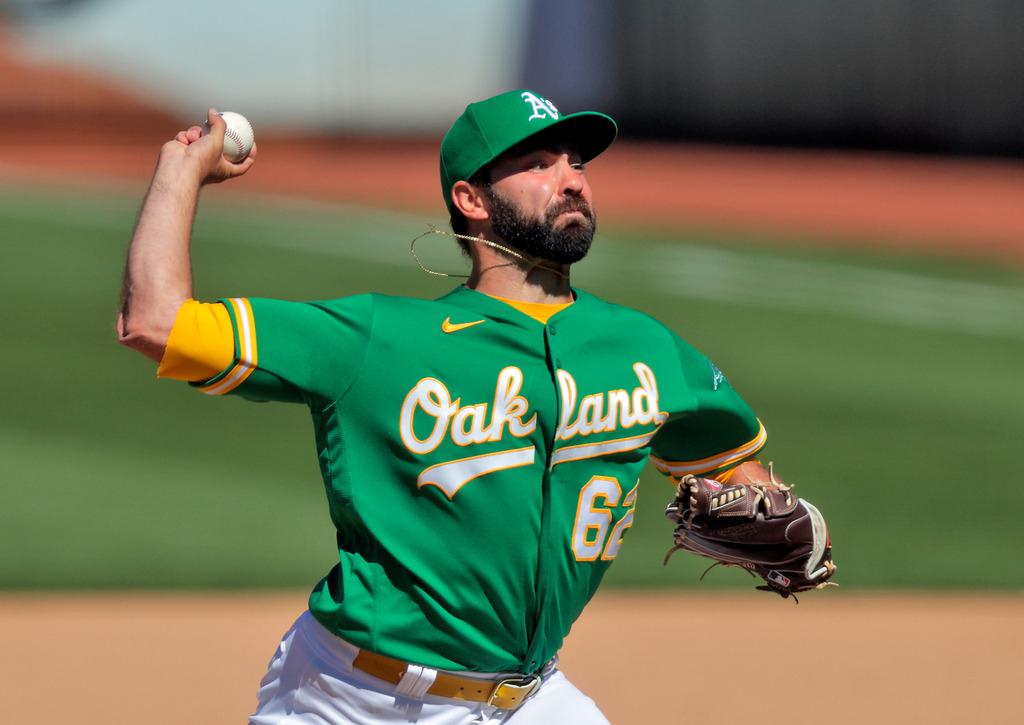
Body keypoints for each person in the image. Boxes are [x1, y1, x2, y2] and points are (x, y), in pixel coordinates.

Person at [118, 90, 773, 724]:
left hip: (530, 699)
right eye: (538, 163)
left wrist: (782, 518)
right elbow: (154, 321)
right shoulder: (378, 340)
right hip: (350, 698)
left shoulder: (643, 347)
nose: (571, 179)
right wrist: (181, 171)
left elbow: (736, 471)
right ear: (470, 199)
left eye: (576, 161)